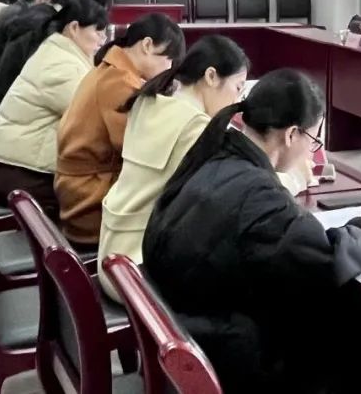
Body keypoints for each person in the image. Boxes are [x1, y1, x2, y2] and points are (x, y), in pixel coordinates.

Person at [142, 69, 361, 393]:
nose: (311, 151)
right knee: (335, 323)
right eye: (313, 140)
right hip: (226, 354)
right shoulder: (260, 197)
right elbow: (326, 261)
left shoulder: (214, 155)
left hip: (193, 328)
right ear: (291, 135)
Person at [98, 35, 250, 301]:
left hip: (112, 258)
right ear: (211, 76)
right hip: (138, 271)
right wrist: (293, 178)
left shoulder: (149, 101)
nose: (237, 101)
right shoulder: (194, 125)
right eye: (237, 88)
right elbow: (239, 184)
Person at [54, 14, 185, 248]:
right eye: (169, 59)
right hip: (89, 204)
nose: (169, 68)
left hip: (77, 191)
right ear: (147, 45)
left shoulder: (110, 69)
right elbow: (139, 149)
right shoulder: (119, 81)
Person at [0, 0, 108, 218]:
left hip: (14, 162)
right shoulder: (60, 65)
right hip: (23, 174)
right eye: (98, 31)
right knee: (103, 195)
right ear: (74, 28)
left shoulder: (58, 51)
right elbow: (93, 115)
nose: (103, 39)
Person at [0, 0, 111, 116]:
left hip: (5, 109)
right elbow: (74, 95)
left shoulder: (42, 17)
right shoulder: (43, 28)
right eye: (97, 26)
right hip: (9, 115)